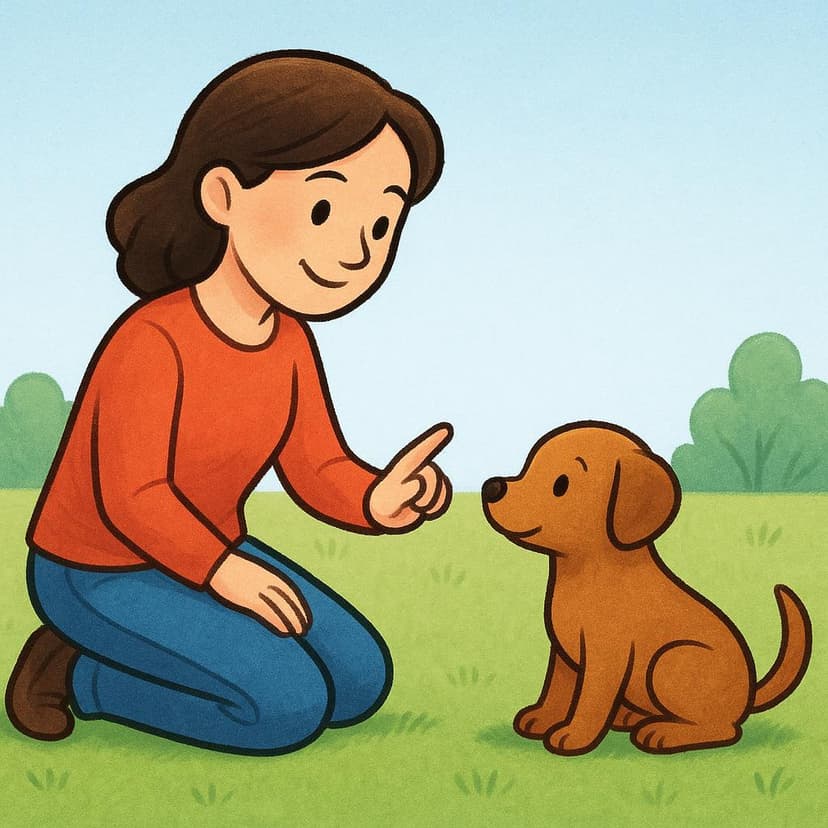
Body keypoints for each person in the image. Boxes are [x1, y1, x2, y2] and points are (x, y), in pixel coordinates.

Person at [5, 51, 452, 755]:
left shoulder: (291, 342)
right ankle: (78, 672)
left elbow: (317, 464)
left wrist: (373, 499)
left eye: (379, 226)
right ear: (223, 196)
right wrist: (223, 572)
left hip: (210, 550)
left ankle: (150, 650)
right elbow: (134, 496)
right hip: (94, 570)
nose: (356, 251)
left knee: (360, 682)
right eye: (324, 208)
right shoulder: (151, 338)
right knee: (288, 709)